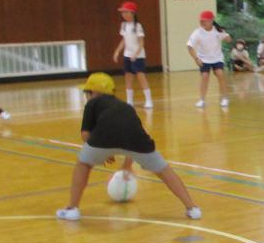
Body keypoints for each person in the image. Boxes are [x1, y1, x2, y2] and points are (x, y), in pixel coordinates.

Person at [56, 73, 200, 221]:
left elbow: (85, 135)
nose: (87, 96)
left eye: (88, 92)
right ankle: (192, 208)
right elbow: (132, 135)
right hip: (137, 140)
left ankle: (72, 209)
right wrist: (126, 164)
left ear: (95, 93)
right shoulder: (126, 107)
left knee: (83, 164)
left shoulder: (92, 103)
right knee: (163, 170)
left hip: (102, 138)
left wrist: (102, 153)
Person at [111, 1, 153, 109]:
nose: (123, 14)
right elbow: (123, 40)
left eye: (126, 12)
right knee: (128, 76)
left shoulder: (137, 26)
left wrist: (136, 54)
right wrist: (117, 51)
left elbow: (141, 42)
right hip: (127, 55)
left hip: (138, 56)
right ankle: (129, 100)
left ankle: (149, 100)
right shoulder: (123, 25)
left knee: (141, 76)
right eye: (122, 12)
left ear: (132, 13)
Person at [186, 11, 230, 109]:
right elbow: (189, 46)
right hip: (204, 59)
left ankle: (224, 98)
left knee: (220, 74)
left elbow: (228, 39)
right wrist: (196, 58)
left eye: (204, 21)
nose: (202, 23)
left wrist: (227, 37)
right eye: (201, 21)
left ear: (211, 21)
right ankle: (202, 100)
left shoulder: (217, 31)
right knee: (205, 76)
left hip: (217, 58)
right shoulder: (197, 32)